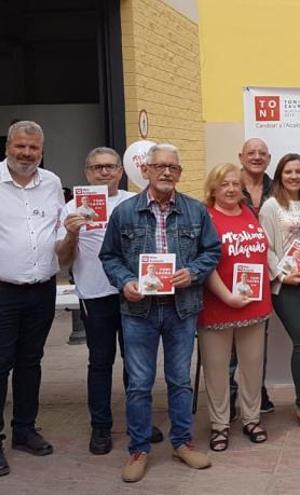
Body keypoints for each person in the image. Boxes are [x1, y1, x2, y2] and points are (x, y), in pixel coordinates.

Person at [100, 143, 220, 482]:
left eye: (173, 167)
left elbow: (212, 250)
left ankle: (183, 443)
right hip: (139, 310)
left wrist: (193, 272)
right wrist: (125, 282)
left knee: (180, 381)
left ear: (179, 173)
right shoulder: (124, 212)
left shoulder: (196, 211)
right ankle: (139, 449)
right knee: (139, 383)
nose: (166, 172)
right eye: (160, 166)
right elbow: (109, 256)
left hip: (182, 309)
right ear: (146, 171)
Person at [56, 147, 158, 456]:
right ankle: (100, 425)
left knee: (136, 363)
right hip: (95, 295)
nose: (104, 172)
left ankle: (138, 421)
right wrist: (72, 234)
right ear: (87, 172)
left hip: (131, 292)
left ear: (121, 171)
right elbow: (63, 260)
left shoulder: (135, 202)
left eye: (110, 167)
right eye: (97, 167)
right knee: (100, 363)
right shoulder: (72, 208)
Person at [0, 121, 64, 477]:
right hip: (3, 290)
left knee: (30, 362)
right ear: (8, 145)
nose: (27, 154)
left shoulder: (52, 182)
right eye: (20, 146)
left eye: (34, 148)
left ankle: (24, 429)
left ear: (42, 149)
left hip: (42, 288)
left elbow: (57, 226)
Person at [197, 163, 272, 452]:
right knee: (216, 370)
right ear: (213, 188)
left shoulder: (250, 213)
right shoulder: (205, 215)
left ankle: (251, 419)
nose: (230, 189)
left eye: (235, 184)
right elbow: (204, 262)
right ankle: (220, 425)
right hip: (218, 305)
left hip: (254, 305)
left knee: (252, 367)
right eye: (224, 184)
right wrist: (227, 295)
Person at [259, 153, 300, 433]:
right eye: (288, 172)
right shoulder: (271, 206)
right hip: (286, 283)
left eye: (299, 171)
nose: (294, 176)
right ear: (279, 175)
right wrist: (283, 275)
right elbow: (267, 247)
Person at [235, 137, 275, 415]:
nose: (257, 157)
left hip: (268, 271)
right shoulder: (229, 184)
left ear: (269, 159)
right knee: (228, 335)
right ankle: (229, 393)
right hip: (233, 270)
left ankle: (256, 391)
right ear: (241, 157)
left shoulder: (278, 187)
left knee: (258, 336)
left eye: (262, 153)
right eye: (252, 153)